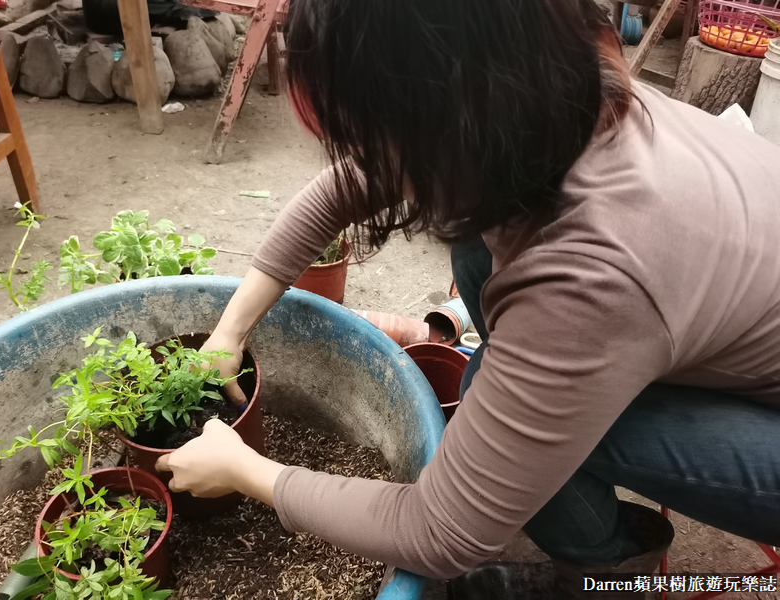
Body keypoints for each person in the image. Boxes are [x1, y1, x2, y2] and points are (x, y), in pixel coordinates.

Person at [154, 1, 780, 597]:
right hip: (712, 315)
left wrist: (245, 472)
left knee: (490, 391)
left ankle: (608, 577)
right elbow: (348, 185)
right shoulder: (551, 97)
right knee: (478, 254)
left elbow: (441, 532)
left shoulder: (590, 270)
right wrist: (229, 333)